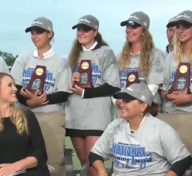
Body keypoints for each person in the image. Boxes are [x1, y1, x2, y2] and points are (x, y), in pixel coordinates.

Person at [88, 83, 192, 176]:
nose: (122, 104)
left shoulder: (160, 129)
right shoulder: (114, 127)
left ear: (143, 106)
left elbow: (184, 160)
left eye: (128, 101)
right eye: (121, 100)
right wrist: (102, 173)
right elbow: (94, 154)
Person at [65, 15, 120, 164]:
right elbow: (65, 85)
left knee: (94, 161)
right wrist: (71, 80)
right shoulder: (72, 54)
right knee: (84, 161)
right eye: (79, 30)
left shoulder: (106, 52)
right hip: (75, 114)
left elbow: (113, 85)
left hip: (96, 114)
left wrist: (85, 92)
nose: (81, 33)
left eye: (86, 30)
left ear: (95, 32)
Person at [0, 72, 50, 176]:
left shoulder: (27, 116)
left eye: (14, 85)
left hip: (32, 173)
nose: (15, 89)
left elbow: (41, 154)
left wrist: (14, 167)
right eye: (9, 85)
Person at [10, 16, 71, 113]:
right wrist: (28, 102)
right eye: (32, 33)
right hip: (24, 115)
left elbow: (63, 94)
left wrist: (40, 100)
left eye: (39, 32)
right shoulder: (23, 58)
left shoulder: (61, 62)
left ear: (49, 34)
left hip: (50, 117)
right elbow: (14, 87)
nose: (34, 36)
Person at [118, 11, 165, 111]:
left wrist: (131, 104)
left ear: (144, 30)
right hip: (123, 110)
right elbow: (114, 86)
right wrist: (116, 101)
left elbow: (152, 88)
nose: (129, 30)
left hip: (147, 111)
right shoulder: (119, 57)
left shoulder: (156, 55)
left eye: (133, 27)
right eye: (127, 27)